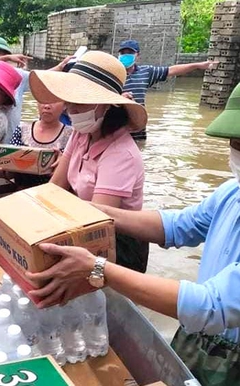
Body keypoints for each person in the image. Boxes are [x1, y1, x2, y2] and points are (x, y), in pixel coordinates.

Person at [28, 64, 240, 385]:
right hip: (197, 338)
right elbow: (177, 226)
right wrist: (88, 208)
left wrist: (97, 268)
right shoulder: (236, 192)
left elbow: (212, 305)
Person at [29, 51, 149, 272]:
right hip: (81, 222)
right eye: (70, 101)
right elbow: (54, 188)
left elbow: (97, 221)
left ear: (108, 105)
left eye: (81, 102)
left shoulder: (121, 154)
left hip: (116, 244)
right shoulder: (81, 134)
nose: (71, 109)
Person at [117, 39, 218, 140]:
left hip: (138, 129)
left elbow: (171, 70)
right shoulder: (112, 73)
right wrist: (119, 99)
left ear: (137, 55)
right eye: (123, 53)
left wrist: (197, 65)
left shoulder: (146, 72)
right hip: (116, 130)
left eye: (130, 53)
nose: (126, 55)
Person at [7, 101, 73, 188]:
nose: (47, 106)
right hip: (21, 193)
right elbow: (10, 165)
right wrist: (3, 172)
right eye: (42, 100)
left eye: (53, 100)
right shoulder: (22, 130)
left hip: (54, 194)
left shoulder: (72, 136)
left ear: (65, 105)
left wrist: (64, 163)